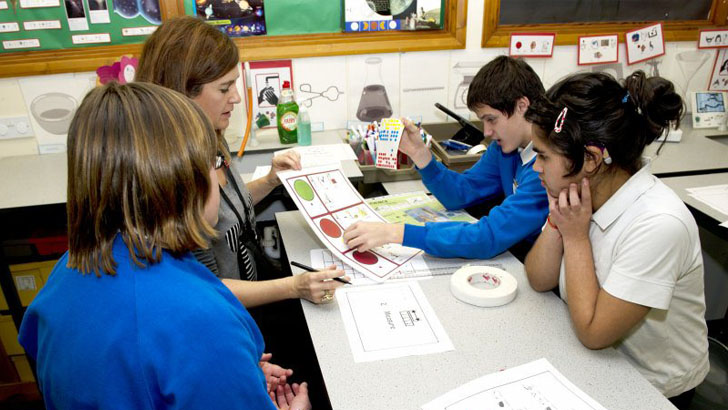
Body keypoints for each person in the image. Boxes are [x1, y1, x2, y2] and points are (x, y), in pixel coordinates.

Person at [18, 82, 310, 409]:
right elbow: (177, 341)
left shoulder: (68, 268)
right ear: (183, 183)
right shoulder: (202, 320)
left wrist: (232, 372)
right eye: (214, 163)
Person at [523, 71, 708, 409]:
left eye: (544, 156)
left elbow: (595, 332)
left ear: (591, 159)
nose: (536, 167)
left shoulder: (658, 224)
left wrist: (576, 238)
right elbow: (538, 278)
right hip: (596, 363)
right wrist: (557, 222)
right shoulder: (581, 195)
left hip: (652, 388)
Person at [135, 16, 346, 307]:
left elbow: (227, 206)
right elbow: (205, 290)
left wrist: (270, 180)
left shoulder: (211, 136)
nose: (235, 97)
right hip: (229, 309)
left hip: (252, 286)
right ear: (182, 93)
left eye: (235, 84)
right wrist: (294, 287)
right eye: (224, 89)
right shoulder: (171, 173)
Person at [343, 56, 549, 260]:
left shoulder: (547, 168)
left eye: (491, 119)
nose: (486, 132)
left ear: (522, 106)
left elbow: (486, 238)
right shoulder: (505, 148)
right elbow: (461, 193)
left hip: (529, 264)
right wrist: (421, 156)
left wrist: (394, 233)